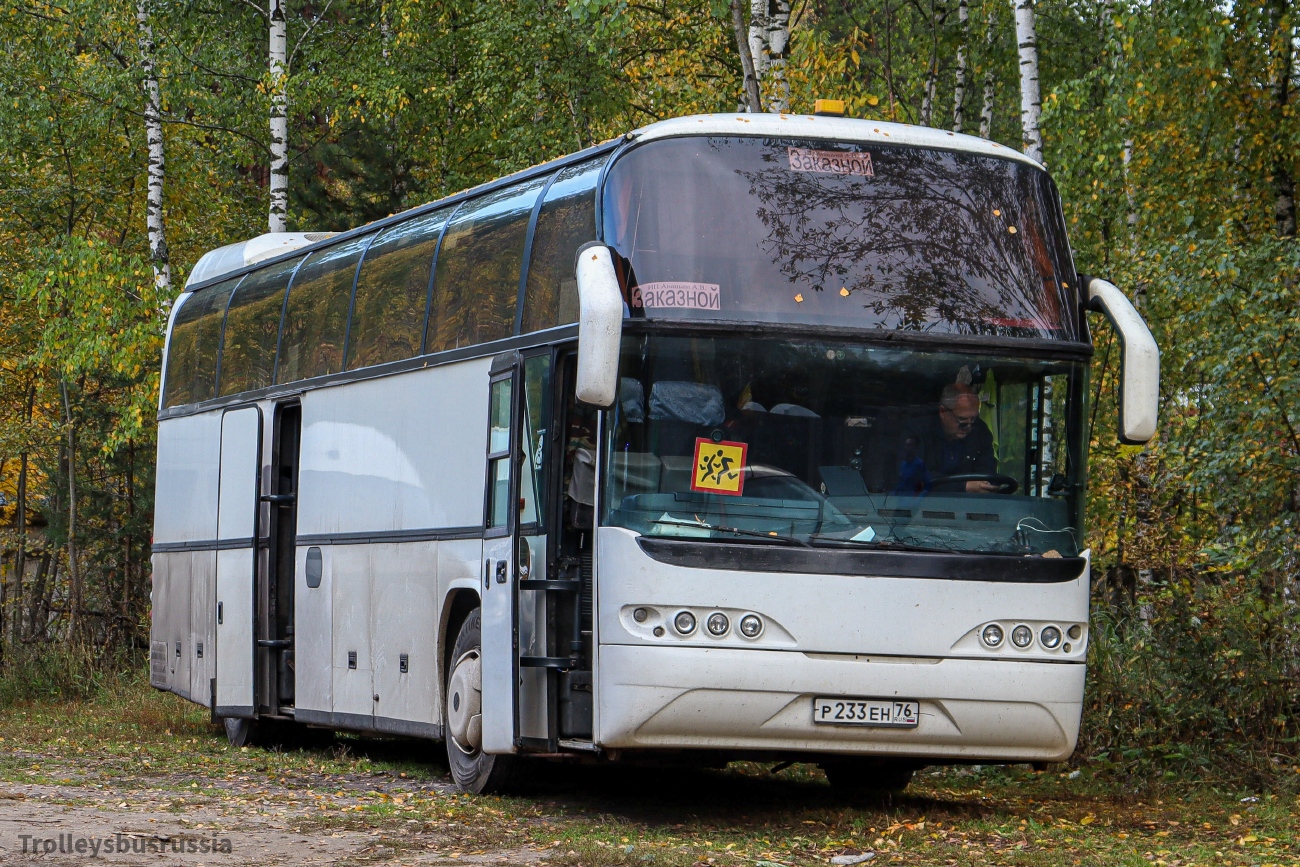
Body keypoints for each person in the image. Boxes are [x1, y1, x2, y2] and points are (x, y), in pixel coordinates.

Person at [895, 382, 999, 494]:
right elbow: (911, 475)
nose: (968, 427)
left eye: (973, 419)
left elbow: (987, 470)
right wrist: (963, 487)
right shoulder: (917, 431)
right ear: (942, 411)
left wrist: (986, 484)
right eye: (962, 420)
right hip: (921, 504)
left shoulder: (979, 431)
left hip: (969, 505)